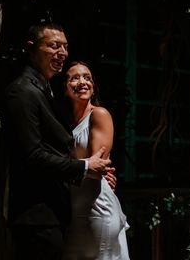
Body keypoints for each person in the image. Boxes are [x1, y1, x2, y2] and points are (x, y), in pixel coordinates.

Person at [1, 22, 114, 260]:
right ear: (31, 48)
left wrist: (96, 171)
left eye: (65, 47)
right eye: (53, 46)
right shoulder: (22, 91)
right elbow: (32, 155)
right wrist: (84, 167)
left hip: (56, 213)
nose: (62, 53)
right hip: (36, 216)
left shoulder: (44, 90)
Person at [61, 61, 130, 259]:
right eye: (75, 78)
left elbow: (96, 168)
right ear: (64, 88)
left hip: (97, 208)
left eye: (87, 78)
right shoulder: (63, 122)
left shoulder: (99, 115)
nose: (83, 82)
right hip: (73, 210)